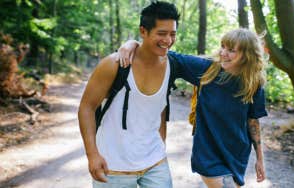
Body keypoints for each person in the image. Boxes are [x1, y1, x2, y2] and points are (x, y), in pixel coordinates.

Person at [118, 28, 268, 187]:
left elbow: (253, 122)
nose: (223, 53)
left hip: (237, 155)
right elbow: (169, 55)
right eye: (222, 46)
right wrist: (133, 44)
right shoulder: (207, 70)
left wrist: (260, 160)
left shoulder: (254, 83)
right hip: (208, 154)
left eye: (231, 50)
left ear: (247, 55)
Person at [77, 1, 179, 188]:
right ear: (143, 31)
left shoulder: (173, 65)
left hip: (155, 163)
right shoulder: (114, 65)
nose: (168, 40)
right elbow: (86, 107)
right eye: (162, 33)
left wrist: (161, 145)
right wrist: (92, 155)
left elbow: (160, 108)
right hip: (113, 165)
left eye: (172, 34)